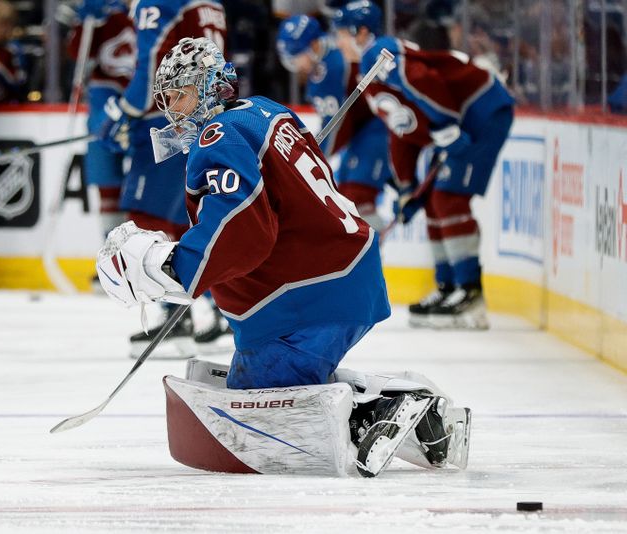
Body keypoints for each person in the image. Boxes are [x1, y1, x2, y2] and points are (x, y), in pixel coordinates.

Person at [95, 37, 467, 477]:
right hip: (341, 275)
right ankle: (405, 407)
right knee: (266, 382)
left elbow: (241, 222)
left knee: (257, 407)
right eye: (168, 96)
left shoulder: (218, 136)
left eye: (181, 92)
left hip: (308, 294)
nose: (171, 106)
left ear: (211, 87)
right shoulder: (265, 110)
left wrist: (178, 267)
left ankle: (382, 410)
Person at [336, 0, 515, 329]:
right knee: (433, 201)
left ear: (360, 32)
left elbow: (424, 80)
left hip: (482, 110)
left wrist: (446, 124)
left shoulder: (380, 52)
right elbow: (400, 129)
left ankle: (470, 292)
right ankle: (449, 287)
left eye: (341, 34)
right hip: (461, 119)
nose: (337, 42)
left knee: (448, 198)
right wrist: (405, 187)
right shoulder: (369, 70)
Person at [99, 0, 230, 358]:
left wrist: (123, 112)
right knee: (185, 219)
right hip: (206, 116)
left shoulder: (156, 2)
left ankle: (174, 320)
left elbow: (149, 67)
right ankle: (226, 311)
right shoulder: (210, 3)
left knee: (148, 219)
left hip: (170, 116)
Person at [277, 13, 392, 230]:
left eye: (296, 57)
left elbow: (335, 126)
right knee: (348, 196)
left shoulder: (328, 70)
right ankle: (367, 253)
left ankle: (370, 252)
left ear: (312, 45)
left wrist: (311, 158)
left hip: (377, 128)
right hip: (363, 131)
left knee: (358, 197)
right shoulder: (325, 60)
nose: (296, 65)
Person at [65, 0, 134, 284]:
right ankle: (113, 260)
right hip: (104, 112)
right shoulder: (102, 14)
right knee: (107, 185)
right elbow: (76, 54)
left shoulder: (156, 12)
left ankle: (143, 261)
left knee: (148, 189)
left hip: (149, 106)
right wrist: (84, 25)